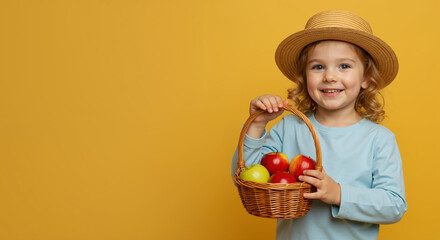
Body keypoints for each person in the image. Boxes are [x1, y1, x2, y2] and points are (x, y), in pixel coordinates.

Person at [231, 10, 407, 240]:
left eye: (344, 66)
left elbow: (394, 205)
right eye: (318, 67)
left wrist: (339, 194)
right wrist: (257, 125)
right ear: (305, 77)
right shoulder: (289, 127)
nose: (330, 76)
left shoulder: (379, 139)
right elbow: (245, 179)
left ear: (366, 78)